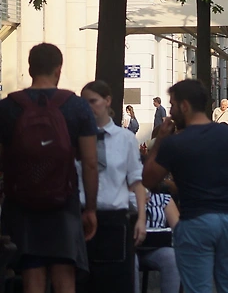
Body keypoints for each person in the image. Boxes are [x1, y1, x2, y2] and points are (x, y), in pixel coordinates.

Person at [143, 79, 228, 293]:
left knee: (198, 288)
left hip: (195, 221)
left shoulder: (175, 142)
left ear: (185, 106)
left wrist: (160, 141)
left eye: (173, 105)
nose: (171, 111)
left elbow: (148, 180)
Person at [0, 44, 99, 293]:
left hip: (21, 204)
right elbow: (90, 162)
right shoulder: (77, 106)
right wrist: (90, 208)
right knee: (64, 276)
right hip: (63, 203)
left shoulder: (8, 107)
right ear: (58, 69)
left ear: (30, 69)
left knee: (32, 277)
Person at [79, 81, 147, 293]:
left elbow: (136, 180)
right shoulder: (75, 138)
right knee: (82, 282)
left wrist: (141, 218)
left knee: (115, 283)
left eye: (93, 101)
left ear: (107, 101)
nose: (88, 107)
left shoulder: (125, 139)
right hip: (80, 216)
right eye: (84, 103)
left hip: (114, 219)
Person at [139, 189, 181, 293]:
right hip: (130, 248)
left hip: (156, 247)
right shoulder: (122, 198)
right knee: (131, 261)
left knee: (172, 257)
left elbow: (179, 231)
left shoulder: (163, 199)